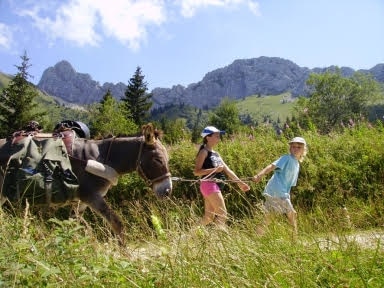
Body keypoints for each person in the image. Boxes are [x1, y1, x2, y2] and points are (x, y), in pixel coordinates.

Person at [193, 126, 250, 228]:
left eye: (219, 136)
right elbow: (196, 172)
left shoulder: (216, 154)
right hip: (209, 185)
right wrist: (214, 170)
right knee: (223, 214)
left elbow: (228, 171)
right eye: (217, 136)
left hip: (213, 186)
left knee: (208, 218)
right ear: (208, 137)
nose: (219, 138)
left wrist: (240, 183)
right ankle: (217, 241)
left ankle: (189, 236)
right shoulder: (203, 152)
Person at [252, 136, 308, 237]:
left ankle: (256, 237)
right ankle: (294, 240)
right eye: (293, 147)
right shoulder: (286, 158)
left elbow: (288, 183)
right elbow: (272, 166)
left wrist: (288, 195)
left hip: (276, 191)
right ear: (290, 148)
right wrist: (259, 175)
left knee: (269, 217)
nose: (295, 149)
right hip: (277, 190)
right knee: (292, 214)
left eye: (299, 147)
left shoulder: (296, 163)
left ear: (304, 149)